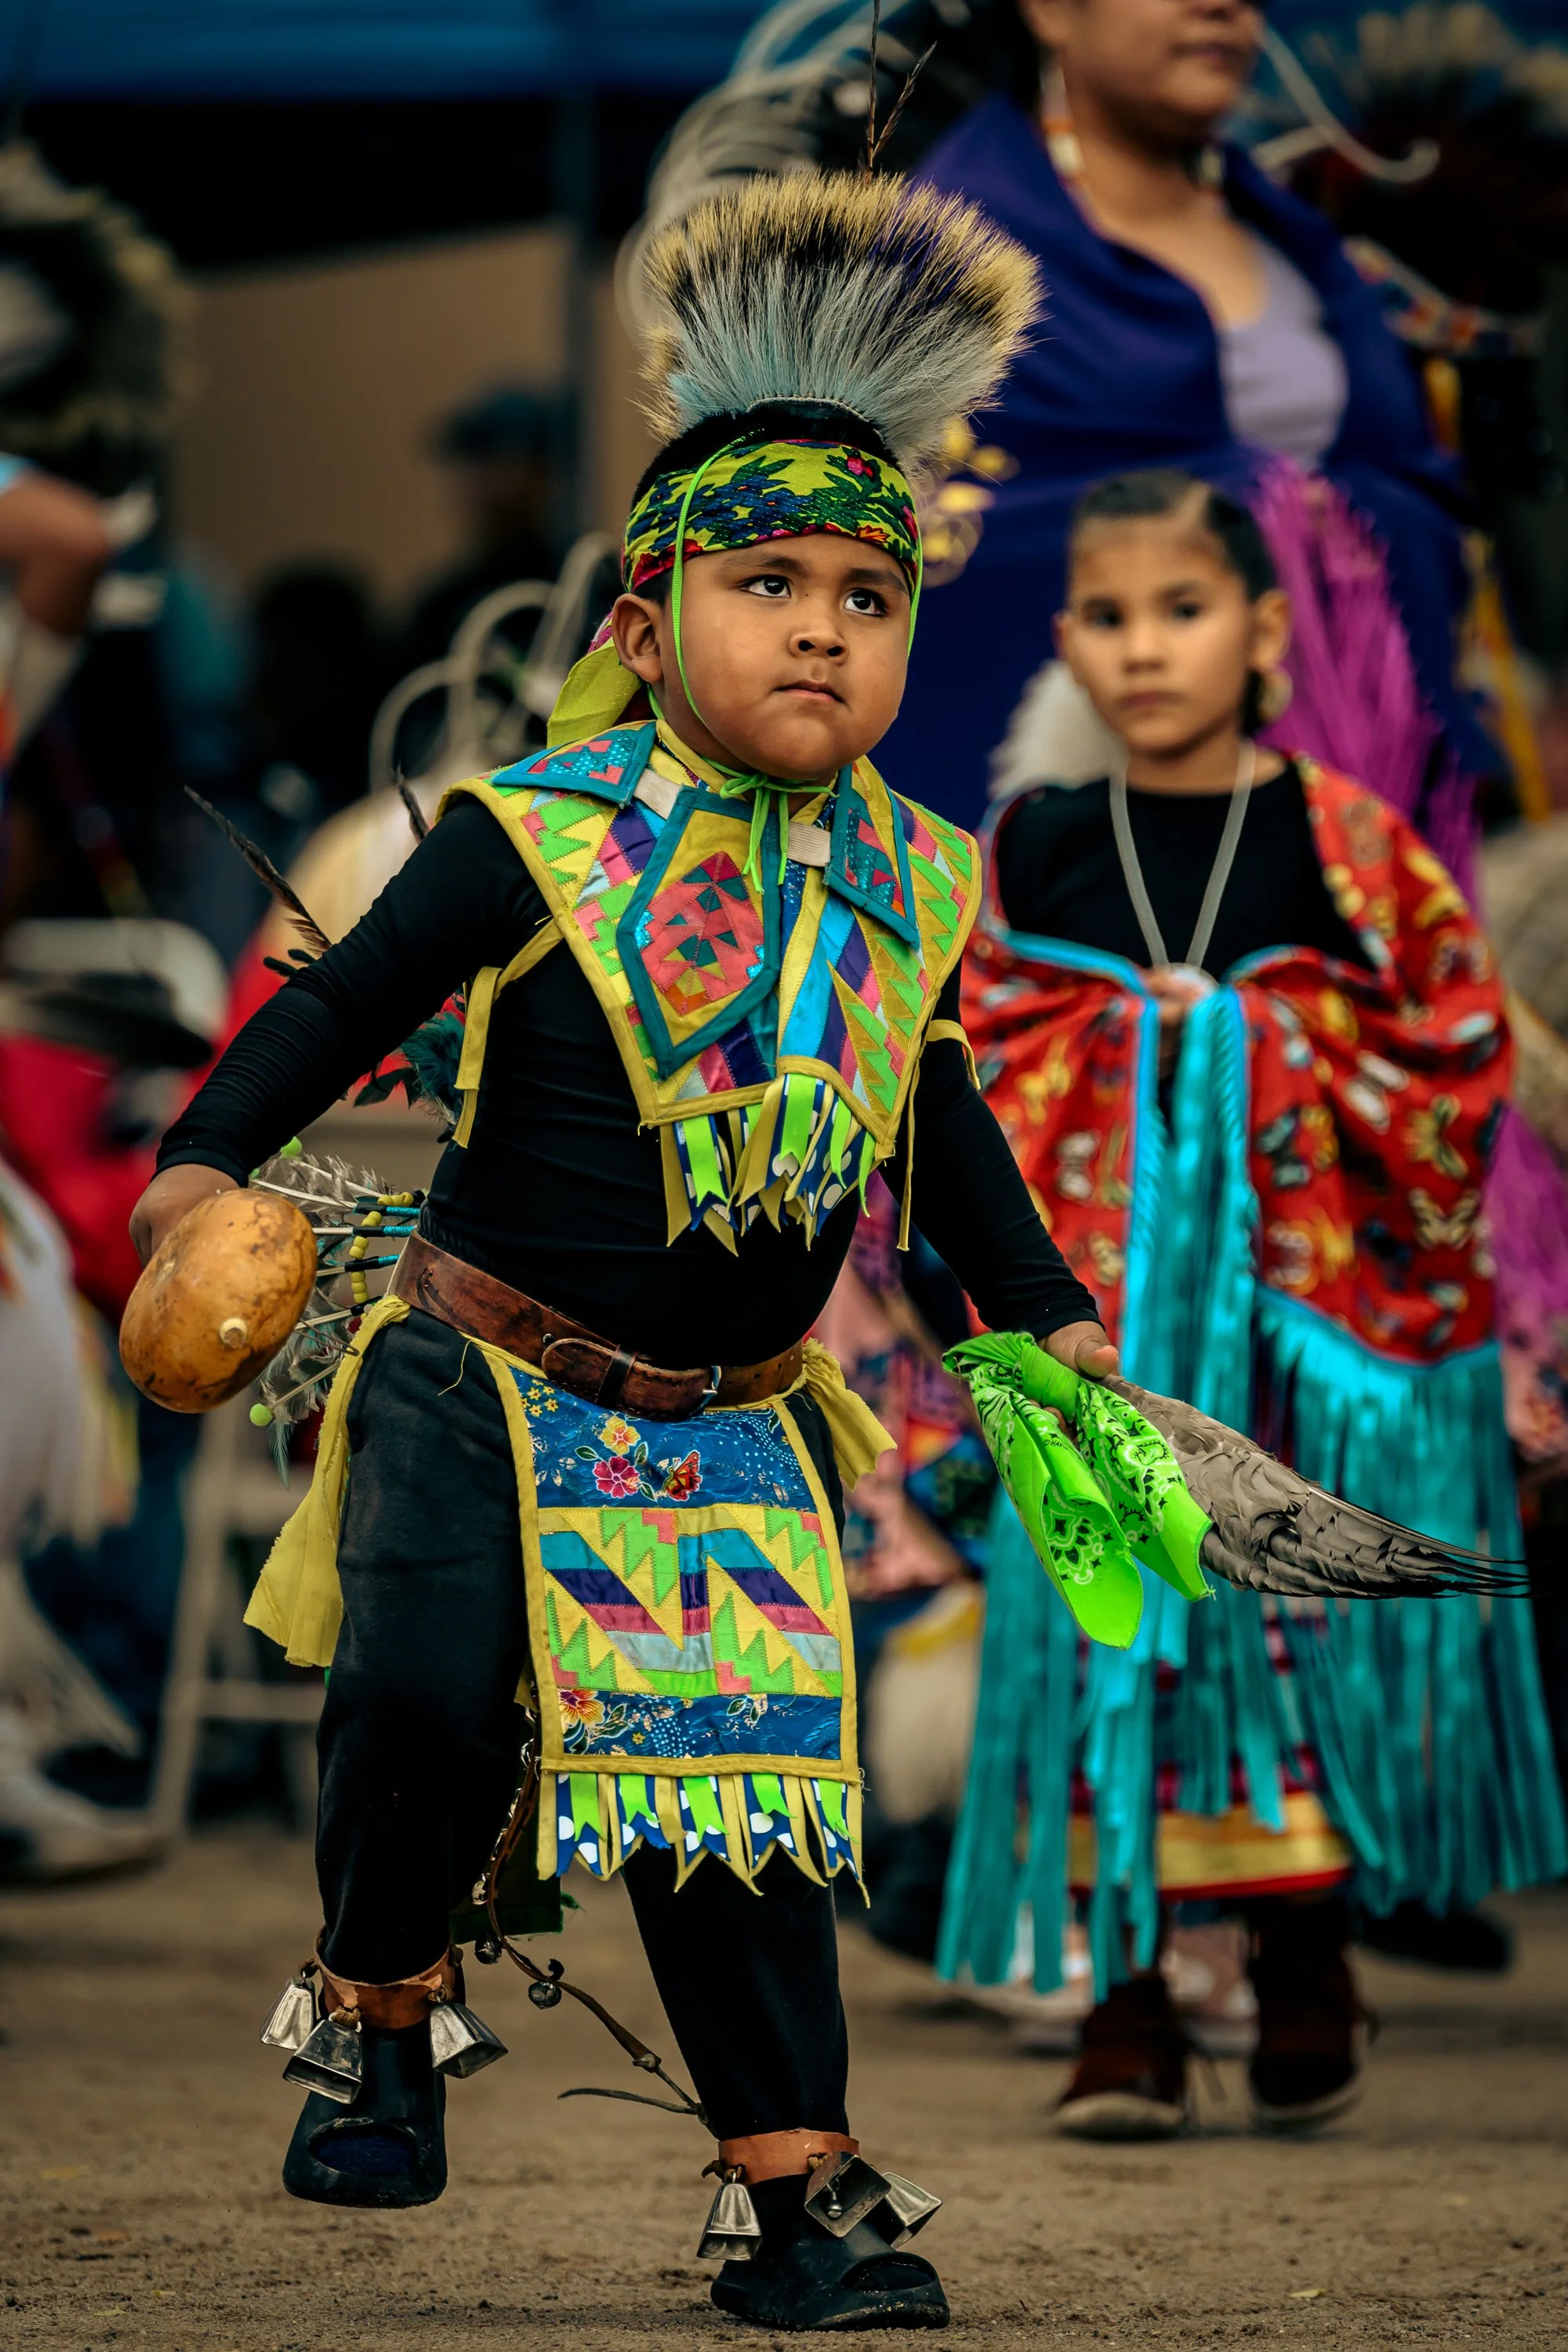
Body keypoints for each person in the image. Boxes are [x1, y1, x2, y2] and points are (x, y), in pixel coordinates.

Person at [127, 174, 1117, 2333]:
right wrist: (203, 1171)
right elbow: (331, 1002)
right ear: (650, 624)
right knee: (416, 1702)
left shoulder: (919, 881)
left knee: (738, 1814)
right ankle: (375, 2006)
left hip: (728, 1436)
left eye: (874, 590)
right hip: (478, 1374)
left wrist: (1043, 1318)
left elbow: (937, 1127)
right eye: (770, 581)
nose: (827, 626)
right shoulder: (530, 835)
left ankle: (799, 2194)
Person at [938, 465, 1566, 2136]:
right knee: (1110, 1637)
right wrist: (1132, 1039)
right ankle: (1128, 1998)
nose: (1146, 650)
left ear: (1265, 630)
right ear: (1066, 639)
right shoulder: (1039, 846)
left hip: (1295, 1356)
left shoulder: (1348, 845)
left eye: (1185, 610)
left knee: (1279, 1639)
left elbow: (1446, 1054)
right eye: (1110, 617)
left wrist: (1246, 1038)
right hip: (1103, 1347)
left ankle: (1304, 1960)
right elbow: (973, 1057)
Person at [887, 0, 1490, 877]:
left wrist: (1337, 515)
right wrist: (1252, 509)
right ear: (1051, 11)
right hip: (1082, 805)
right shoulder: (946, 248)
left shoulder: (1294, 238)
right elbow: (929, 532)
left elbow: (1411, 481)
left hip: (1337, 771)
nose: (1221, 7)